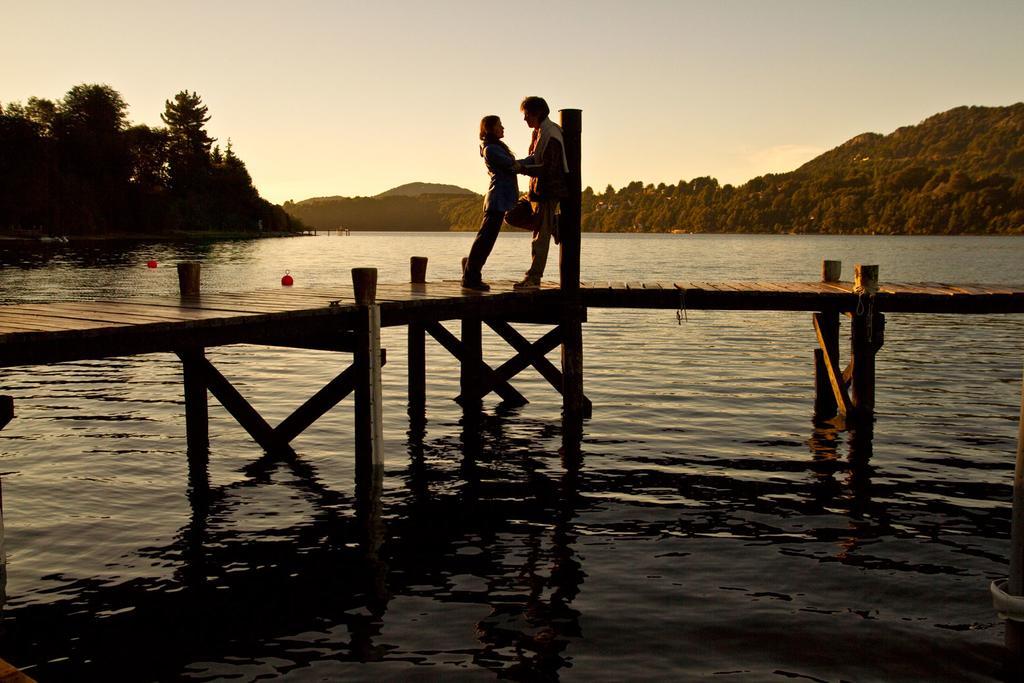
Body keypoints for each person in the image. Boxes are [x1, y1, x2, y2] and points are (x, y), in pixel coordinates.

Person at [513, 96, 568, 289]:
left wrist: (521, 169)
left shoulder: (551, 134)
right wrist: (517, 164)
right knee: (511, 214)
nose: (525, 119)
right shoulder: (538, 131)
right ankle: (554, 225)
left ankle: (533, 277)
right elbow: (534, 157)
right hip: (534, 190)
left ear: (537, 113)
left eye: (527, 115)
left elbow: (548, 168)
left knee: (540, 237)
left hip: (547, 191)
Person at [462, 115, 519, 291]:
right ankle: (471, 278)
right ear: (491, 129)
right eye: (500, 125)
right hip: (497, 200)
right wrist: (533, 161)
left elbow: (513, 164)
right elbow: (512, 165)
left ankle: (471, 276)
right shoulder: (491, 149)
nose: (503, 128)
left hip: (500, 200)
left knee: (485, 240)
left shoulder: (493, 148)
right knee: (484, 240)